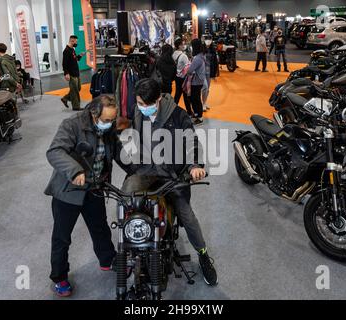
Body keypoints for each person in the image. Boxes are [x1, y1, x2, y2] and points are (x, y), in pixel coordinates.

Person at [121, 78, 218, 286]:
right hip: (145, 173)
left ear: (158, 99)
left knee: (187, 215)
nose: (142, 108)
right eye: (139, 103)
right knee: (126, 205)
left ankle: (203, 254)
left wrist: (194, 166)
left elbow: (191, 140)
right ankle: (127, 252)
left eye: (147, 104)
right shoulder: (138, 111)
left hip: (172, 176)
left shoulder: (178, 115)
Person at [45, 95, 134, 297]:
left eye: (113, 120)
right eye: (106, 120)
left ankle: (107, 259)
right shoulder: (72, 125)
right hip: (68, 189)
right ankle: (59, 277)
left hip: (94, 187)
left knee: (100, 226)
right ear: (94, 114)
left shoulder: (109, 127)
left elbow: (117, 150)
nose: (110, 124)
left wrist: (135, 169)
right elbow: (55, 151)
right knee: (62, 236)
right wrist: (75, 171)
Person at [61, 35, 86, 111]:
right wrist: (66, 73)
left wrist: (80, 55)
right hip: (71, 73)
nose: (76, 43)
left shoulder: (72, 49)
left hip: (76, 72)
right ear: (72, 41)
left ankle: (65, 98)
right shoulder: (66, 51)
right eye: (75, 42)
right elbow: (64, 63)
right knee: (74, 90)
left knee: (78, 88)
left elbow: (75, 59)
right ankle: (76, 106)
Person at [187, 39, 206, 126]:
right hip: (200, 81)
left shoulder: (197, 58)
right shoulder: (202, 55)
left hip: (196, 82)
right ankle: (198, 115)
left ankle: (199, 116)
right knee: (196, 99)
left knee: (195, 99)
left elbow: (190, 70)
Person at [172, 38, 192, 116]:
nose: (184, 45)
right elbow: (188, 67)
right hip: (183, 77)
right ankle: (189, 112)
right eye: (183, 44)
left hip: (177, 77)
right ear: (179, 46)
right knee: (185, 95)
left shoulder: (173, 54)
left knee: (177, 94)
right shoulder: (183, 56)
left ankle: (172, 110)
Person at [202, 37, 218, 111]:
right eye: (207, 39)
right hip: (201, 71)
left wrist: (215, 74)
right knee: (204, 87)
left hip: (209, 72)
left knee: (207, 89)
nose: (208, 41)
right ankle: (203, 104)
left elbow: (215, 62)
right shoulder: (201, 49)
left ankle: (204, 103)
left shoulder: (213, 50)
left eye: (209, 40)